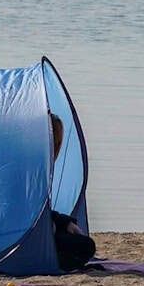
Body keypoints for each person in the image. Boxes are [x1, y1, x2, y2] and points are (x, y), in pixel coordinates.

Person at [48, 112, 96, 271]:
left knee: (82, 243)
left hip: (34, 233)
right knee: (86, 246)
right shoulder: (30, 172)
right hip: (23, 236)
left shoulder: (36, 169)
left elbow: (43, 211)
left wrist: (64, 222)